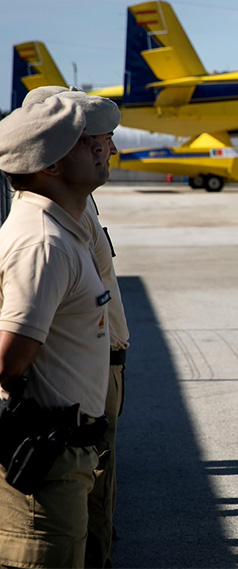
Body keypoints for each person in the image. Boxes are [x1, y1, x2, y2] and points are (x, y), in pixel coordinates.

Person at [0, 95, 114, 568]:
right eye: (86, 142)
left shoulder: (62, 229)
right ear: (48, 167)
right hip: (48, 457)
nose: (103, 148)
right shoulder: (43, 244)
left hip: (69, 449)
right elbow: (8, 361)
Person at [23, 86, 130, 569]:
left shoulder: (78, 202)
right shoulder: (55, 220)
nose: (108, 149)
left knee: (97, 490)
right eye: (97, 140)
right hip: (87, 371)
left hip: (103, 361)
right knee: (90, 496)